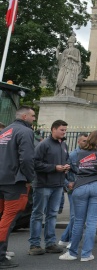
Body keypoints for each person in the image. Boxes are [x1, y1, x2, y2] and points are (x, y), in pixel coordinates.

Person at [59, 130, 97, 262]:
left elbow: (76, 169)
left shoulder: (80, 153)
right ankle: (86, 254)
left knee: (78, 221)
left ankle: (72, 253)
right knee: (92, 221)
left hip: (80, 186)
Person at [0, 107, 36, 269]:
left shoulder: (5, 131)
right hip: (14, 182)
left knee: (3, 218)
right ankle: (1, 256)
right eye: (33, 115)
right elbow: (27, 158)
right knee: (8, 219)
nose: (34, 118)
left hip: (3, 179)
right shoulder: (25, 132)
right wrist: (29, 178)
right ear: (24, 116)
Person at [28, 120, 69, 255]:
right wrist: (54, 168)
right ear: (53, 129)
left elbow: (66, 160)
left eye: (65, 130)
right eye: (62, 130)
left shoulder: (63, 144)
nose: (64, 132)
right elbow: (35, 163)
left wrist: (66, 167)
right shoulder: (43, 144)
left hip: (58, 185)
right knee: (38, 215)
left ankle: (50, 243)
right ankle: (34, 245)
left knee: (52, 215)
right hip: (43, 185)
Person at [58, 134, 88, 249]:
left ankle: (64, 238)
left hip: (83, 186)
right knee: (75, 215)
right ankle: (71, 240)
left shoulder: (88, 154)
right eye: (84, 141)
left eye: (87, 141)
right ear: (79, 142)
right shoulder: (73, 155)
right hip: (73, 187)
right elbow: (63, 171)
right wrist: (67, 184)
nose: (86, 143)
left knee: (78, 215)